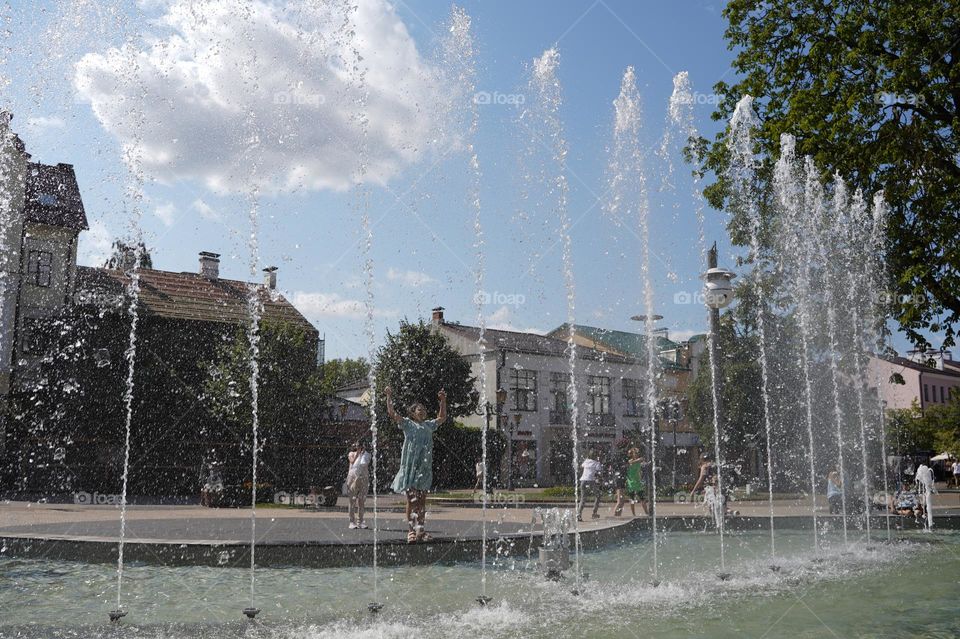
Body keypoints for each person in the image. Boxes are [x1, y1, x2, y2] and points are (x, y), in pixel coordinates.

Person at [386, 385, 446, 543]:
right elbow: (392, 413)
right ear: (412, 413)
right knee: (411, 500)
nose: (423, 411)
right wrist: (389, 396)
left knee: (421, 501)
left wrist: (443, 401)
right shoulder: (407, 424)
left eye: (424, 410)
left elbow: (442, 418)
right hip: (411, 467)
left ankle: (421, 530)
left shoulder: (429, 425)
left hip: (424, 467)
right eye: (420, 409)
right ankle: (411, 531)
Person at [346, 441, 371, 529]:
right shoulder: (351, 453)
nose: (359, 447)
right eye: (358, 446)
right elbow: (352, 462)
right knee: (352, 501)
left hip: (363, 478)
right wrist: (358, 453)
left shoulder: (366, 455)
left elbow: (365, 463)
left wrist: (363, 453)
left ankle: (360, 521)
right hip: (352, 478)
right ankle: (351, 522)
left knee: (361, 501)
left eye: (361, 446)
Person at [623, 448, 650, 517]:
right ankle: (633, 514)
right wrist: (638, 460)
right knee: (632, 500)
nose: (637, 454)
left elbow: (642, 460)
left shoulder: (638, 461)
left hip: (637, 483)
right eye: (636, 453)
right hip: (631, 483)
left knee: (643, 499)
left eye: (638, 453)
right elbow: (631, 462)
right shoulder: (630, 461)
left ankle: (647, 513)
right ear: (632, 454)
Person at [577, 449, 603, 522]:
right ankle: (594, 513)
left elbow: (581, 466)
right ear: (596, 456)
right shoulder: (596, 463)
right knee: (598, 495)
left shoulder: (586, 461)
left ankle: (579, 515)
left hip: (582, 481)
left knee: (583, 499)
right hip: (591, 481)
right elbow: (599, 472)